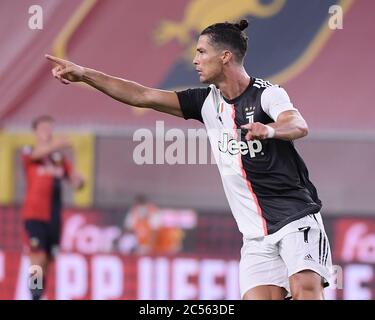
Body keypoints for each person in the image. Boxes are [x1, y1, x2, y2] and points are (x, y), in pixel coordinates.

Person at [45, 19, 332, 300]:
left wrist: (269, 130)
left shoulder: (267, 94)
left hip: (296, 219)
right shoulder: (204, 102)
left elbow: (297, 123)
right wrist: (85, 75)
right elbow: (142, 95)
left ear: (225, 57)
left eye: (201, 52)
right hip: (256, 236)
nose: (195, 59)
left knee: (305, 292)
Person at [22, 115, 84, 300]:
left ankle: (39, 294)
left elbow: (73, 179)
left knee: (48, 259)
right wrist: (57, 145)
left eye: (50, 128)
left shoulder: (58, 159)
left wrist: (79, 181)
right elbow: (35, 156)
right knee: (37, 256)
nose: (47, 132)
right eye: (43, 128)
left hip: (54, 217)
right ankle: (34, 293)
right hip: (34, 214)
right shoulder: (29, 151)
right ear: (35, 132)